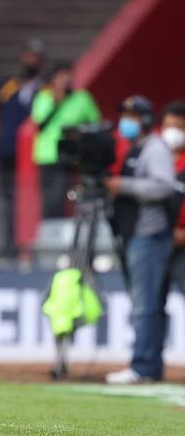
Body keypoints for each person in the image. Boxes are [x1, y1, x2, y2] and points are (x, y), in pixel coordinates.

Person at [105, 96, 178, 385]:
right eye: (124, 115)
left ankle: (143, 366)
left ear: (146, 119)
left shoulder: (155, 147)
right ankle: (149, 365)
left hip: (149, 234)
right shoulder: (134, 148)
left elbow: (163, 186)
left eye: (133, 116)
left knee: (144, 304)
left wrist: (122, 186)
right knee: (147, 303)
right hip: (136, 233)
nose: (127, 121)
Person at [0, 39, 46, 257]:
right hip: (8, 149)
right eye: (29, 55)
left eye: (36, 57)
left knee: (32, 198)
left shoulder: (45, 87)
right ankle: (10, 243)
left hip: (34, 154)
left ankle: (31, 245)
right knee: (9, 198)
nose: (32, 60)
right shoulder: (8, 85)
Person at [31, 64, 101, 219]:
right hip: (46, 154)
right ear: (53, 79)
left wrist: (79, 133)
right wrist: (57, 102)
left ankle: (61, 230)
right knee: (49, 197)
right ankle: (50, 230)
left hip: (69, 154)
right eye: (62, 76)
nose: (66, 80)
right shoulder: (43, 98)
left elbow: (95, 122)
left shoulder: (81, 98)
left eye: (68, 76)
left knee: (65, 194)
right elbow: (39, 124)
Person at [160, 100, 185, 297]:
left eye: (179, 128)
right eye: (168, 127)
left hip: (182, 245)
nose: (172, 133)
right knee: (150, 308)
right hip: (156, 244)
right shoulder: (154, 158)